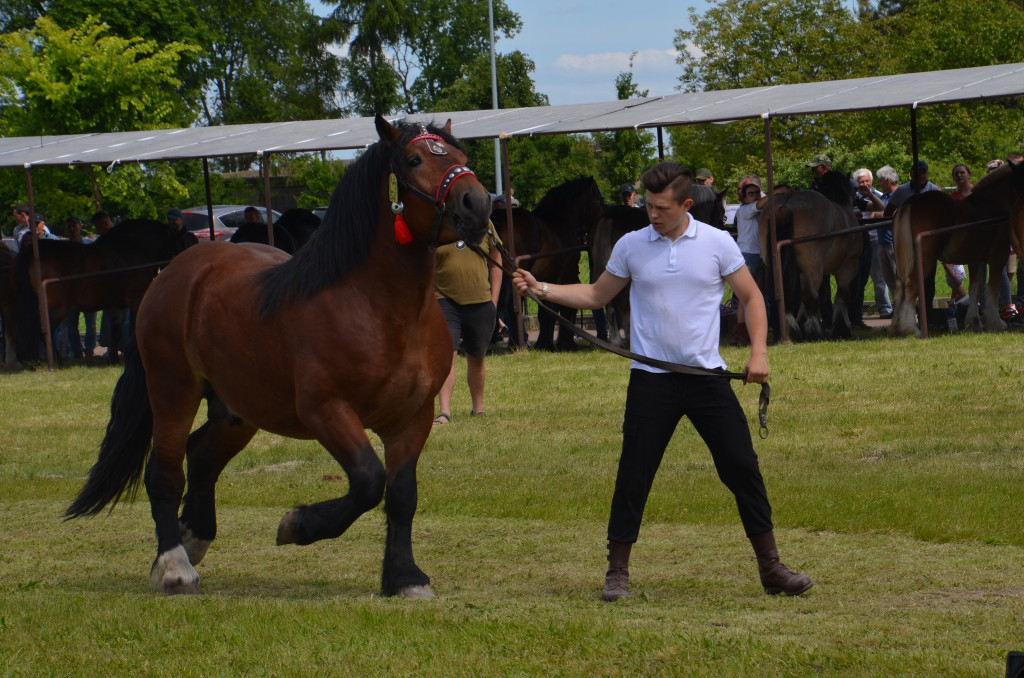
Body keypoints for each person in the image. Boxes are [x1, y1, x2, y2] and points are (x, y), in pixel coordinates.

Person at [513, 162, 812, 601]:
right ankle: (617, 572)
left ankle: (771, 568)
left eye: (661, 207)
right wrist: (543, 289)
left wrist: (759, 353)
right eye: (648, 205)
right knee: (634, 474)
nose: (651, 213)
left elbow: (751, 297)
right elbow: (597, 295)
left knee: (742, 468)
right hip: (650, 380)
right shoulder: (632, 245)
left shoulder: (717, 243)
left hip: (707, 378)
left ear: (686, 204)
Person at [433, 222, 503, 425]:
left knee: (477, 357)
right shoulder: (440, 220)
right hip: (444, 300)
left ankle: (478, 409)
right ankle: (444, 412)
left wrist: (494, 301)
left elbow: (497, 258)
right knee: (447, 354)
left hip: (480, 301)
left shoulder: (485, 222)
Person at [730, 175, 766, 345]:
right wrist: (777, 193)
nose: (755, 196)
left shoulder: (755, 208)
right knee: (745, 299)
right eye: (751, 193)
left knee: (755, 298)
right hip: (747, 255)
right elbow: (761, 203)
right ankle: (740, 335)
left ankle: (751, 333)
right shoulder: (745, 209)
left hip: (758, 255)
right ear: (744, 197)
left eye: (757, 192)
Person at [853, 168, 890, 319]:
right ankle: (855, 311)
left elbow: (884, 210)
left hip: (876, 241)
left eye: (867, 181)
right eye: (861, 182)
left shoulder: (879, 196)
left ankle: (885, 309)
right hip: (857, 242)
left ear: (872, 181)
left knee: (879, 279)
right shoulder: (853, 198)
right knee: (856, 278)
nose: (865, 184)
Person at [60, 217, 97, 361]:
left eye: (74, 225)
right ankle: (77, 351)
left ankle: (89, 350)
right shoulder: (64, 248)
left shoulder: (89, 245)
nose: (71, 229)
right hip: (71, 290)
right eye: (69, 226)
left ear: (80, 227)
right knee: (71, 324)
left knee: (91, 323)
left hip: (88, 288)